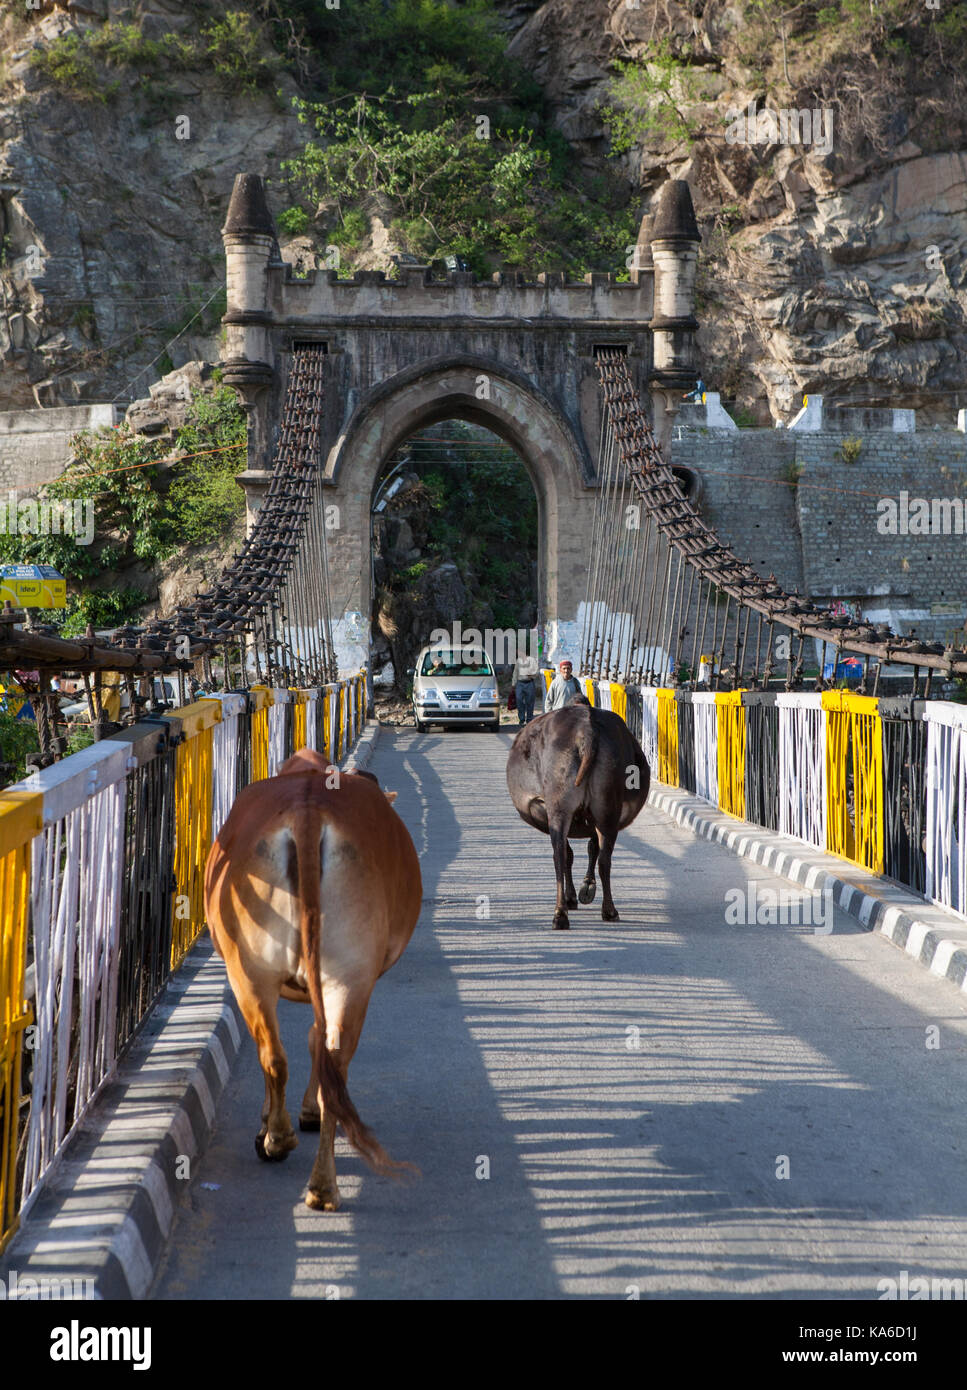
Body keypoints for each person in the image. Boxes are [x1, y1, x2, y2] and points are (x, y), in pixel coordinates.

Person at [510, 649, 539, 725]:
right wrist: (513, 684)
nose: (517, 653)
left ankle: (529, 719)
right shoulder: (518, 661)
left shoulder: (532, 660)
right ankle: (521, 719)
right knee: (519, 701)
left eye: (519, 651)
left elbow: (536, 671)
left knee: (530, 702)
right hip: (520, 683)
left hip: (529, 683)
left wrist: (531, 675)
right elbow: (515, 673)